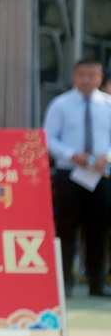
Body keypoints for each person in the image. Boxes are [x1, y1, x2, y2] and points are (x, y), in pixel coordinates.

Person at [43, 56, 111, 298]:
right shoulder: (60, 105)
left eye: (91, 75)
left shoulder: (108, 104)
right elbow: (48, 137)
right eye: (82, 75)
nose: (86, 80)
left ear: (100, 78)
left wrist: (108, 156)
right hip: (69, 173)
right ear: (74, 76)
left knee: (99, 229)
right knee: (67, 227)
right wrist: (71, 155)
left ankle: (96, 282)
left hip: (101, 174)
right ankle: (64, 283)